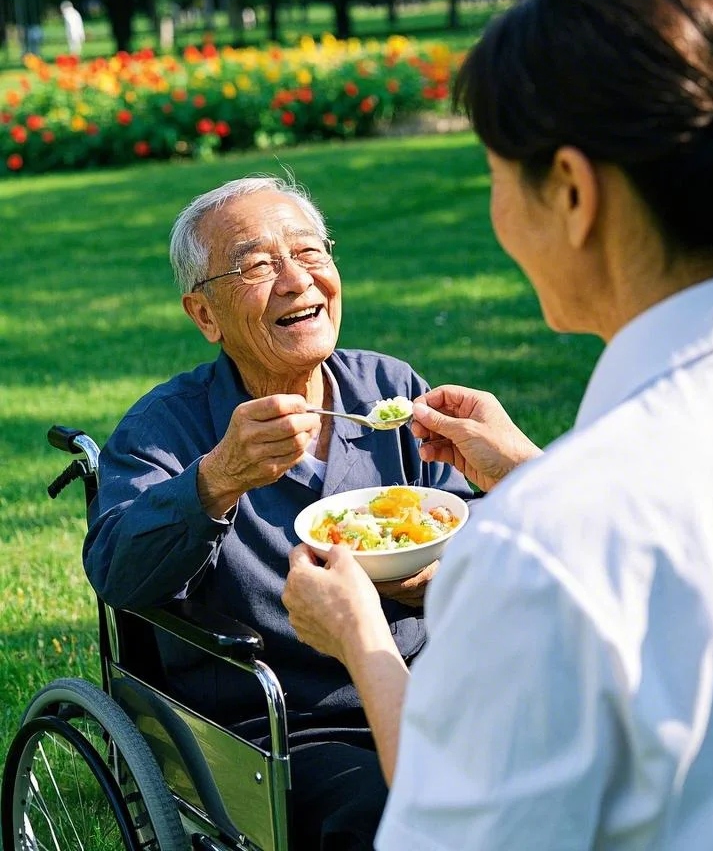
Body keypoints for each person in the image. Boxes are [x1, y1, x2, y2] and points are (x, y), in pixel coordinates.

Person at [282, 0, 713, 849]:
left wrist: (362, 641)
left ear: (574, 193)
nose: (496, 212)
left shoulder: (547, 549)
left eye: (498, 176)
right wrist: (530, 473)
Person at [82, 175, 472, 851]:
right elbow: (117, 570)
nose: (298, 280)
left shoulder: (391, 390)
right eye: (258, 264)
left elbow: (464, 521)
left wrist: (430, 575)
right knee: (398, 812)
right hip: (285, 728)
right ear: (205, 316)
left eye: (311, 252)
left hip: (429, 689)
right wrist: (217, 477)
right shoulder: (166, 429)